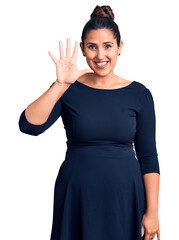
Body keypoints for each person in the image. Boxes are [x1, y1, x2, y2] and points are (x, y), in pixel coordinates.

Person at [18, 5, 161, 240]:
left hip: (125, 197)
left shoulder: (139, 94)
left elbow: (148, 156)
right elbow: (29, 126)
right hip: (77, 195)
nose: (100, 55)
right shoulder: (69, 89)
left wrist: (153, 211)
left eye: (107, 46)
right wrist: (61, 84)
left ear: (120, 47)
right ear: (82, 49)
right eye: (92, 47)